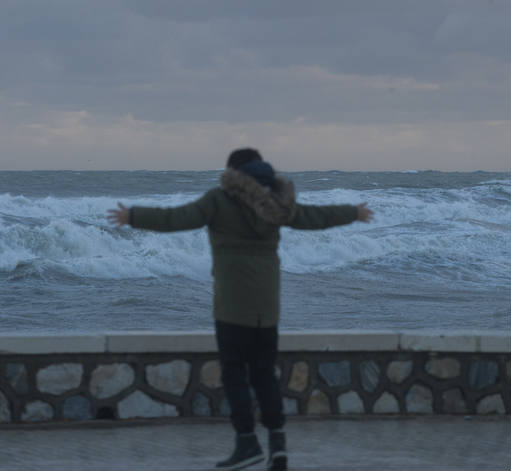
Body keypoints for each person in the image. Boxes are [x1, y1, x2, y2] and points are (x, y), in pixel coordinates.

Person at [107, 148, 373, 471]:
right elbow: (315, 218)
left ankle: (247, 444)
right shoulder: (278, 203)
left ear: (234, 170)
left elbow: (178, 219)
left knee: (235, 374)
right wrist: (353, 212)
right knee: (265, 375)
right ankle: (278, 447)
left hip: (233, 307)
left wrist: (133, 216)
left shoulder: (220, 200)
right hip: (267, 307)